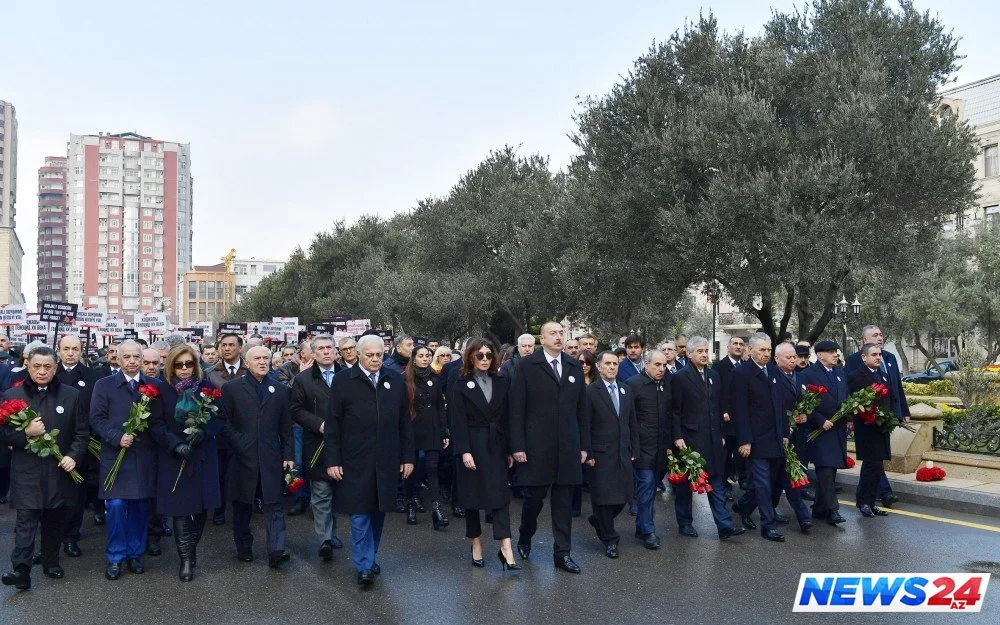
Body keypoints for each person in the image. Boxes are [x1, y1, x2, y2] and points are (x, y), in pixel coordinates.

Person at [324, 334, 414, 587]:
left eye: (379, 355)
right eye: (370, 355)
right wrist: (333, 460)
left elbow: (404, 422)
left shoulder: (394, 379)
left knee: (378, 510)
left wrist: (408, 457)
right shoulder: (344, 380)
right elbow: (333, 424)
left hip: (386, 459)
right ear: (358, 355)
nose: (375, 360)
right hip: (354, 460)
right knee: (360, 512)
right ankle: (363, 564)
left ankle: (370, 555)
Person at [0, 347, 89, 590]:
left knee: (54, 518)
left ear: (55, 367)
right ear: (27, 366)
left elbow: (81, 433)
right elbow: (4, 434)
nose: (41, 371)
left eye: (47, 367)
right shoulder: (12, 395)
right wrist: (25, 434)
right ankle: (21, 570)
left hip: (59, 470)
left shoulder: (71, 395)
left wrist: (73, 456)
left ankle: (51, 561)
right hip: (27, 471)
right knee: (26, 521)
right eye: (36, 366)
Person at [510, 321, 587, 574]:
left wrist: (584, 445)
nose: (558, 337)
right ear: (542, 339)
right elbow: (516, 408)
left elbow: (582, 411)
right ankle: (525, 534)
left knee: (564, 502)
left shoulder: (574, 365)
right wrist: (518, 444)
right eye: (552, 333)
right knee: (534, 499)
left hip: (567, 446)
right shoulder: (527, 366)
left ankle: (562, 553)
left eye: (561, 333)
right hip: (536, 447)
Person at [90, 340, 165, 580]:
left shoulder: (155, 385)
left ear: (142, 358)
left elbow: (161, 422)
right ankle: (115, 557)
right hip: (115, 456)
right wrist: (116, 437)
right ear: (118, 359)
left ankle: (135, 554)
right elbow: (97, 418)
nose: (132, 361)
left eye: (136, 357)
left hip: (144, 457)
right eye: (127, 357)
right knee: (116, 506)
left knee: (139, 508)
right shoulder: (104, 385)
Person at [153, 345, 224, 581]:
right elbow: (157, 425)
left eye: (189, 364)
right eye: (179, 364)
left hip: (202, 456)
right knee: (181, 510)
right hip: (175, 458)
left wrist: (204, 432)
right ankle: (185, 560)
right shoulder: (162, 390)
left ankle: (191, 550)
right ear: (171, 366)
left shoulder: (206, 388)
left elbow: (220, 418)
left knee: (202, 508)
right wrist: (175, 444)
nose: (184, 369)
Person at [219, 346, 293, 568]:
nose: (262, 362)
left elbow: (286, 427)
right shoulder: (232, 388)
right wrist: (241, 443)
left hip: (271, 456)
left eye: (266, 358)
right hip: (243, 457)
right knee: (243, 504)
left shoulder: (279, 389)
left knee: (274, 504)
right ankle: (244, 546)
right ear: (247, 363)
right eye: (257, 358)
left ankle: (276, 550)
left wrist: (288, 454)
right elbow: (224, 423)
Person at [450, 338, 520, 571]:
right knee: (472, 498)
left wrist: (510, 448)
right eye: (479, 355)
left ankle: (506, 546)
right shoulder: (460, 383)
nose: (484, 359)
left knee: (500, 496)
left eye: (489, 355)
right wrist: (463, 451)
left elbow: (508, 418)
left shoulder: (501, 382)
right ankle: (476, 543)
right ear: (470, 357)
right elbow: (457, 421)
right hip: (472, 445)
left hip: (496, 444)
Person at [670, 336, 744, 540]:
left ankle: (724, 525)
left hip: (712, 438)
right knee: (686, 485)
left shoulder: (713, 375)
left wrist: (720, 434)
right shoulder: (679, 378)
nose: (704, 355)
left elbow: (718, 407)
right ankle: (685, 523)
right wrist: (677, 437)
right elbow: (675, 411)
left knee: (716, 481)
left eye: (706, 351)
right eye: (700, 351)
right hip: (689, 439)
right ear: (690, 354)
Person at [290, 334, 343, 561]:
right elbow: (296, 410)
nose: (326, 351)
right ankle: (325, 539)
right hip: (317, 443)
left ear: (335, 351)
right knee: (321, 492)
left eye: (329, 347)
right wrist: (318, 424)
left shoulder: (348, 376)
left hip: (345, 443)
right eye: (320, 348)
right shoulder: (303, 379)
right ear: (313, 353)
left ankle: (333, 531)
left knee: (339, 490)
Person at [730, 333, 787, 543]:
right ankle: (768, 525)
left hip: (774, 437)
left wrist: (784, 432)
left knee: (771, 481)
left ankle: (742, 506)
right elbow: (740, 410)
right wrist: (744, 440)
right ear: (751, 350)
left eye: (769, 350)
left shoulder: (773, 371)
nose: (766, 354)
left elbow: (780, 405)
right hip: (754, 440)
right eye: (762, 350)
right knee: (763, 484)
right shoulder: (741, 374)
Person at [845, 325, 909, 507]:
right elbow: (848, 395)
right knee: (871, 464)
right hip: (866, 424)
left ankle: (870, 501)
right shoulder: (854, 365)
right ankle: (868, 500)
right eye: (875, 335)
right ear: (864, 343)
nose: (880, 338)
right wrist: (850, 417)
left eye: (881, 335)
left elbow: (896, 388)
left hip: (883, 422)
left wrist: (903, 411)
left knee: (876, 462)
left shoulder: (886, 364)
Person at [583, 351, 638, 559]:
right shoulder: (590, 392)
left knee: (623, 496)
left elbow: (631, 421)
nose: (612, 367)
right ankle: (610, 539)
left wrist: (635, 448)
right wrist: (587, 452)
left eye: (615, 363)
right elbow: (585, 425)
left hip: (623, 451)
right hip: (600, 453)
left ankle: (599, 520)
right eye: (608, 363)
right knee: (604, 498)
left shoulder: (626, 390)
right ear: (599, 366)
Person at [55, 335, 102, 556]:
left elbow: (96, 409)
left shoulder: (92, 376)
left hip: (81, 443)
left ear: (81, 351)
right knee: (52, 495)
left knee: (76, 495)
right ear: (59, 350)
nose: (71, 353)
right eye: (66, 348)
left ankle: (71, 537)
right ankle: (51, 539)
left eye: (75, 348)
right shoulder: (50, 373)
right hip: (53, 443)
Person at [801, 340, 849, 525]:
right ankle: (832, 510)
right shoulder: (808, 374)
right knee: (826, 469)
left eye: (836, 351)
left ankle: (820, 509)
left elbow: (844, 397)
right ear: (820, 355)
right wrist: (820, 420)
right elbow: (803, 402)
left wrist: (848, 415)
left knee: (830, 469)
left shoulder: (839, 373)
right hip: (819, 430)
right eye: (831, 352)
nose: (835, 354)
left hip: (837, 428)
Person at [627, 350, 671, 549]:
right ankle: (648, 530)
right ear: (647, 364)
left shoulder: (666, 384)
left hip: (661, 448)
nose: (661, 369)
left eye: (664, 365)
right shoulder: (634, 384)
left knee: (652, 488)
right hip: (642, 448)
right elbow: (627, 418)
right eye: (657, 365)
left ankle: (641, 527)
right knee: (645, 486)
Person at [769, 342, 814, 534]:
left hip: (798, 435)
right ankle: (803, 517)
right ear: (777, 359)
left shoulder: (800, 377)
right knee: (786, 477)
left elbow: (805, 403)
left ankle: (762, 508)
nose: (793, 360)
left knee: (782, 477)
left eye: (794, 357)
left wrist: (806, 416)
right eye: (788, 357)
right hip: (780, 435)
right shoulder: (771, 377)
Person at [403, 345, 450, 529]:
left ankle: (437, 510)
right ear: (414, 358)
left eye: (428, 355)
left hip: (432, 429)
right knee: (410, 469)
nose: (425, 358)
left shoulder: (435, 378)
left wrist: (444, 431)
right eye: (421, 356)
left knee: (432, 467)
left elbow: (440, 406)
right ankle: (410, 504)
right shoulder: (404, 379)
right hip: (411, 430)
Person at [207, 333, 247, 526]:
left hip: (246, 430)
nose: (227, 348)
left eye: (232, 345)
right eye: (224, 345)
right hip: (220, 432)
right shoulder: (210, 373)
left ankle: (246, 505)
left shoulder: (251, 370)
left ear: (240, 348)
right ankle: (219, 508)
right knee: (221, 473)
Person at [713, 336, 746, 498]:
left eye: (741, 344)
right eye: (735, 344)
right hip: (726, 418)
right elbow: (717, 392)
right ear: (728, 347)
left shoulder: (746, 366)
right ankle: (724, 484)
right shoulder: (719, 367)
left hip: (743, 418)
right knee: (725, 454)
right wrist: (723, 410)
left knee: (743, 451)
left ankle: (743, 478)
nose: (738, 347)